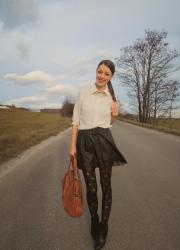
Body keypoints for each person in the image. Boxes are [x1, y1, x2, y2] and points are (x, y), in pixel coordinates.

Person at [70, 59, 127, 250]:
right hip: (84, 141)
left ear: (111, 77)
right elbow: (76, 121)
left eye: (107, 74)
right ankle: (94, 220)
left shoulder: (113, 96)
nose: (102, 76)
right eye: (100, 72)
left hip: (103, 140)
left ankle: (104, 226)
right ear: (96, 71)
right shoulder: (84, 93)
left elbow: (110, 123)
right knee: (91, 188)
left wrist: (115, 114)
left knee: (106, 186)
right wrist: (72, 147)